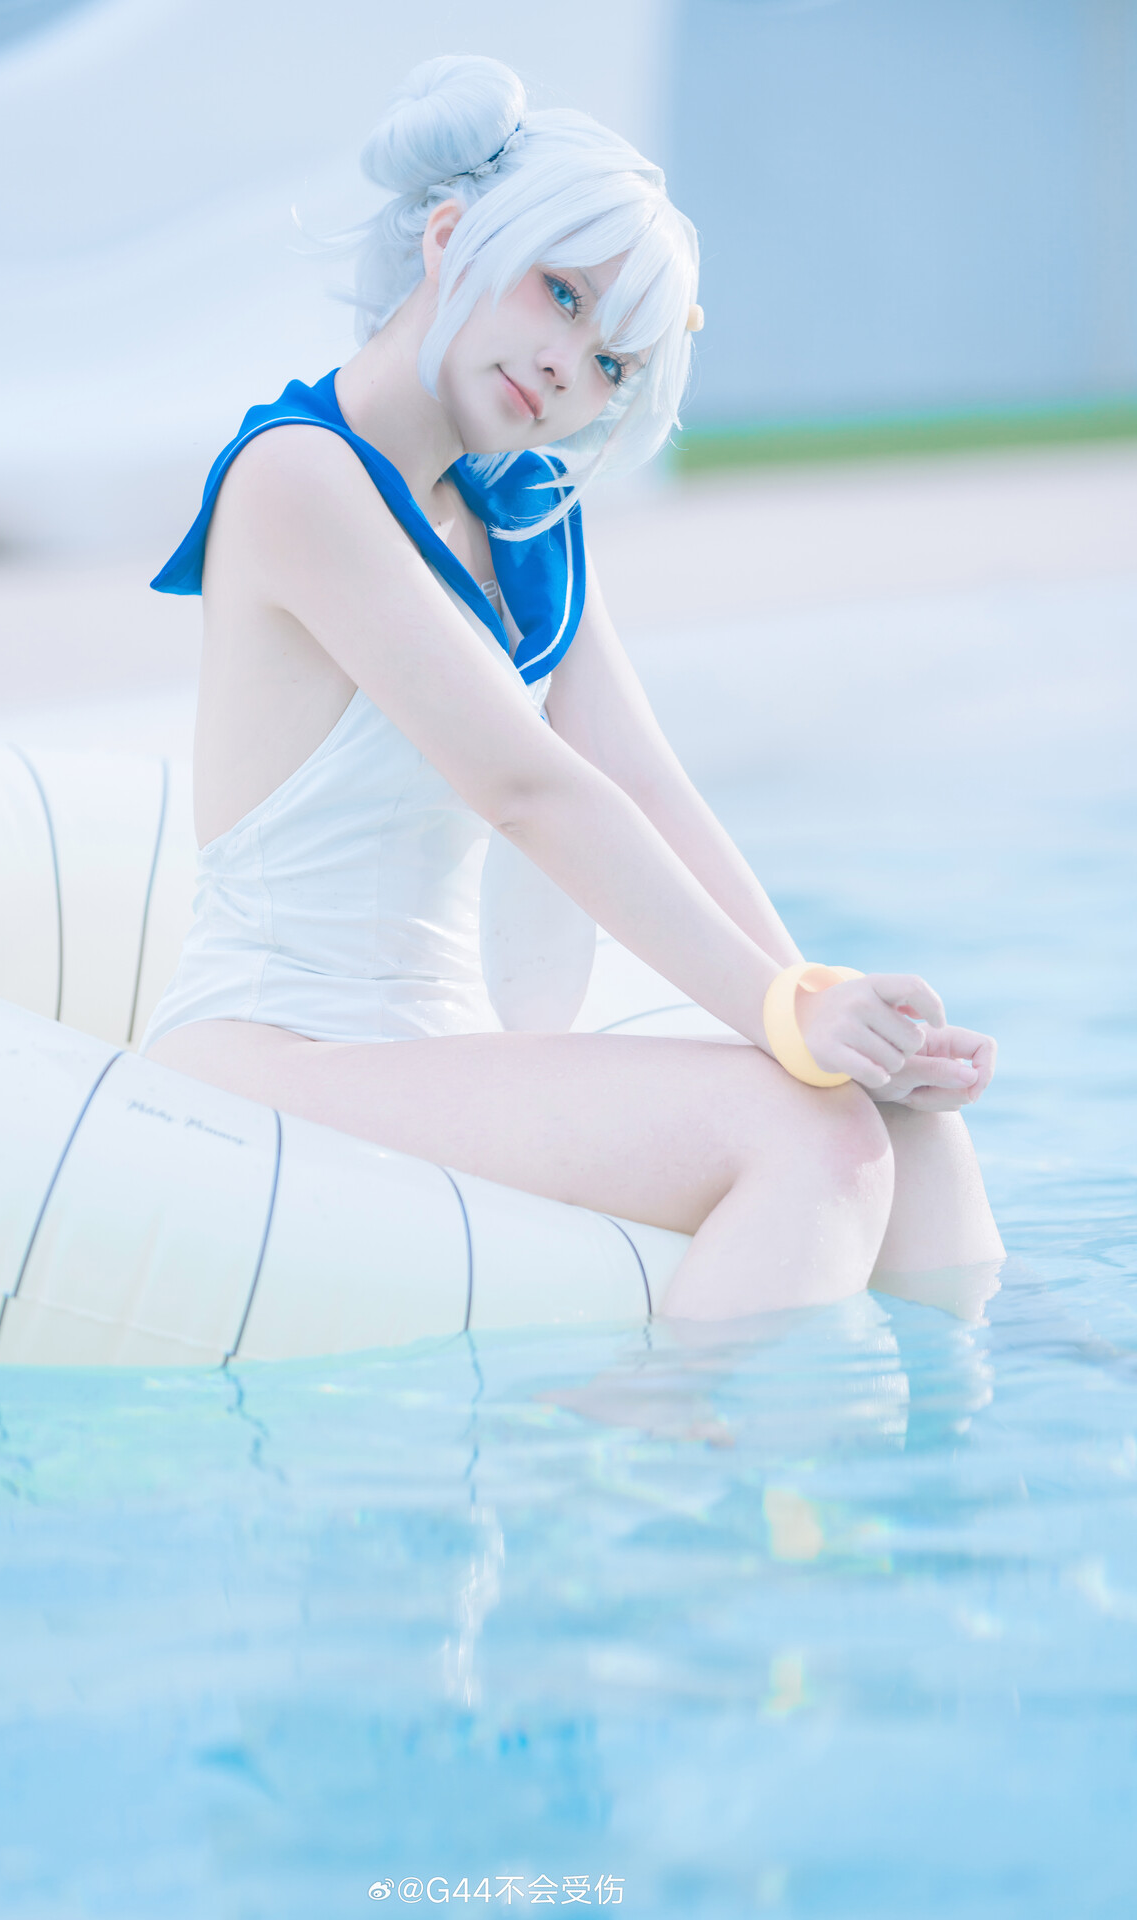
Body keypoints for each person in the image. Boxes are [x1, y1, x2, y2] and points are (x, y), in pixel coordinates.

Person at [143, 53, 1004, 1321]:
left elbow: (641, 783)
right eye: (559, 295)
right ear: (450, 238)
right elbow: (527, 787)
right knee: (813, 1137)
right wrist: (776, 1015)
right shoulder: (295, 477)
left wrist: (822, 1009)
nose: (565, 366)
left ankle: (1002, 1417)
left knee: (903, 1121)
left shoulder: (526, 511)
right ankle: (665, 1452)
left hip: (437, 1052)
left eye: (610, 364)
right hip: (274, 1051)